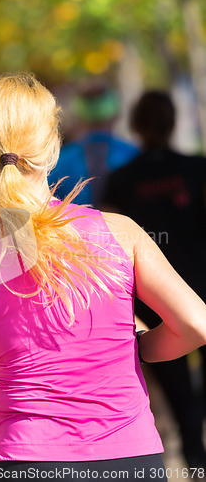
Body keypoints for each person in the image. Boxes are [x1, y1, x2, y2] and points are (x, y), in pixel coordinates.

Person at [0, 74, 206, 482]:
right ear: (54, 148)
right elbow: (196, 324)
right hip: (130, 461)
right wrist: (138, 347)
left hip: (25, 464)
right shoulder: (119, 233)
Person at [102, 90, 206, 468]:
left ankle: (195, 460)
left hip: (153, 300)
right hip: (202, 288)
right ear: (174, 121)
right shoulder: (197, 168)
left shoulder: (121, 179)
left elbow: (108, 245)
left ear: (135, 126)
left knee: (179, 392)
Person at [48, 81, 139, 207]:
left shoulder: (59, 160)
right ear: (116, 114)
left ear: (79, 116)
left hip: (73, 226)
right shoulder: (134, 155)